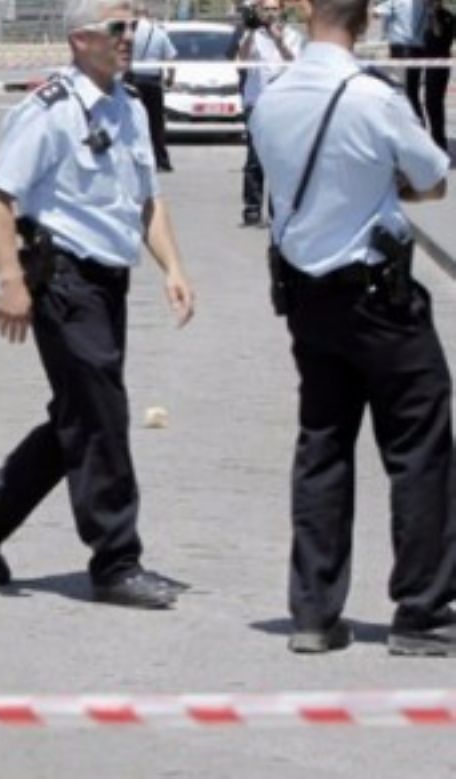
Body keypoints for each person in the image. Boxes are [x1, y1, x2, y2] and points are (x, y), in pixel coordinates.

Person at [0, 0, 196, 610]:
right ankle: (116, 561)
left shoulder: (130, 107)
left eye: (134, 27)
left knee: (83, 413)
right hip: (64, 281)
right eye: (117, 28)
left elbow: (148, 201)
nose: (129, 37)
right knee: (102, 417)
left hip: (109, 283)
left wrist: (173, 267)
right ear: (81, 39)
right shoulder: (48, 111)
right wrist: (11, 279)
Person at [250, 0, 454, 655]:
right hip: (379, 297)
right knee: (419, 447)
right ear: (365, 22)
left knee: (323, 444)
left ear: (308, 14)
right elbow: (434, 178)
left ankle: (313, 611)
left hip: (307, 295)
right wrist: (383, 186)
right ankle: (423, 610)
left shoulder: (272, 99)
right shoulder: (375, 98)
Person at [237, 0, 303, 226]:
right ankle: (252, 209)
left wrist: (279, 41)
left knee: (281, 159)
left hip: (283, 104)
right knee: (254, 159)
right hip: (256, 102)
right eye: (266, 9)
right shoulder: (253, 36)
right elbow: (241, 60)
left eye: (274, 9)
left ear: (281, 11)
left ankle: (278, 209)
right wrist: (249, 32)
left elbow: (295, 63)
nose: (270, 13)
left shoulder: (292, 36)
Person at [128, 4, 176, 172]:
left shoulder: (130, 32)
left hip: (134, 81)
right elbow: (170, 58)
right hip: (153, 81)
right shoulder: (159, 32)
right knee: (156, 123)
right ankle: (161, 160)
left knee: (134, 122)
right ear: (148, 14)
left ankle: (137, 159)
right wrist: (170, 78)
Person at [374, 0, 427, 117]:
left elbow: (375, 13)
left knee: (401, 90)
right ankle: (418, 122)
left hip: (401, 48)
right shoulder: (424, 3)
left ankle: (407, 120)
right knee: (412, 90)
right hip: (418, 49)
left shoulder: (396, 1)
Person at [420, 0, 452, 149]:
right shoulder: (423, 16)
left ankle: (439, 140)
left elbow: (438, 34)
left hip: (439, 65)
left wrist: (433, 16)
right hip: (426, 62)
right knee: (429, 103)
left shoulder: (447, 17)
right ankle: (433, 138)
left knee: (433, 103)